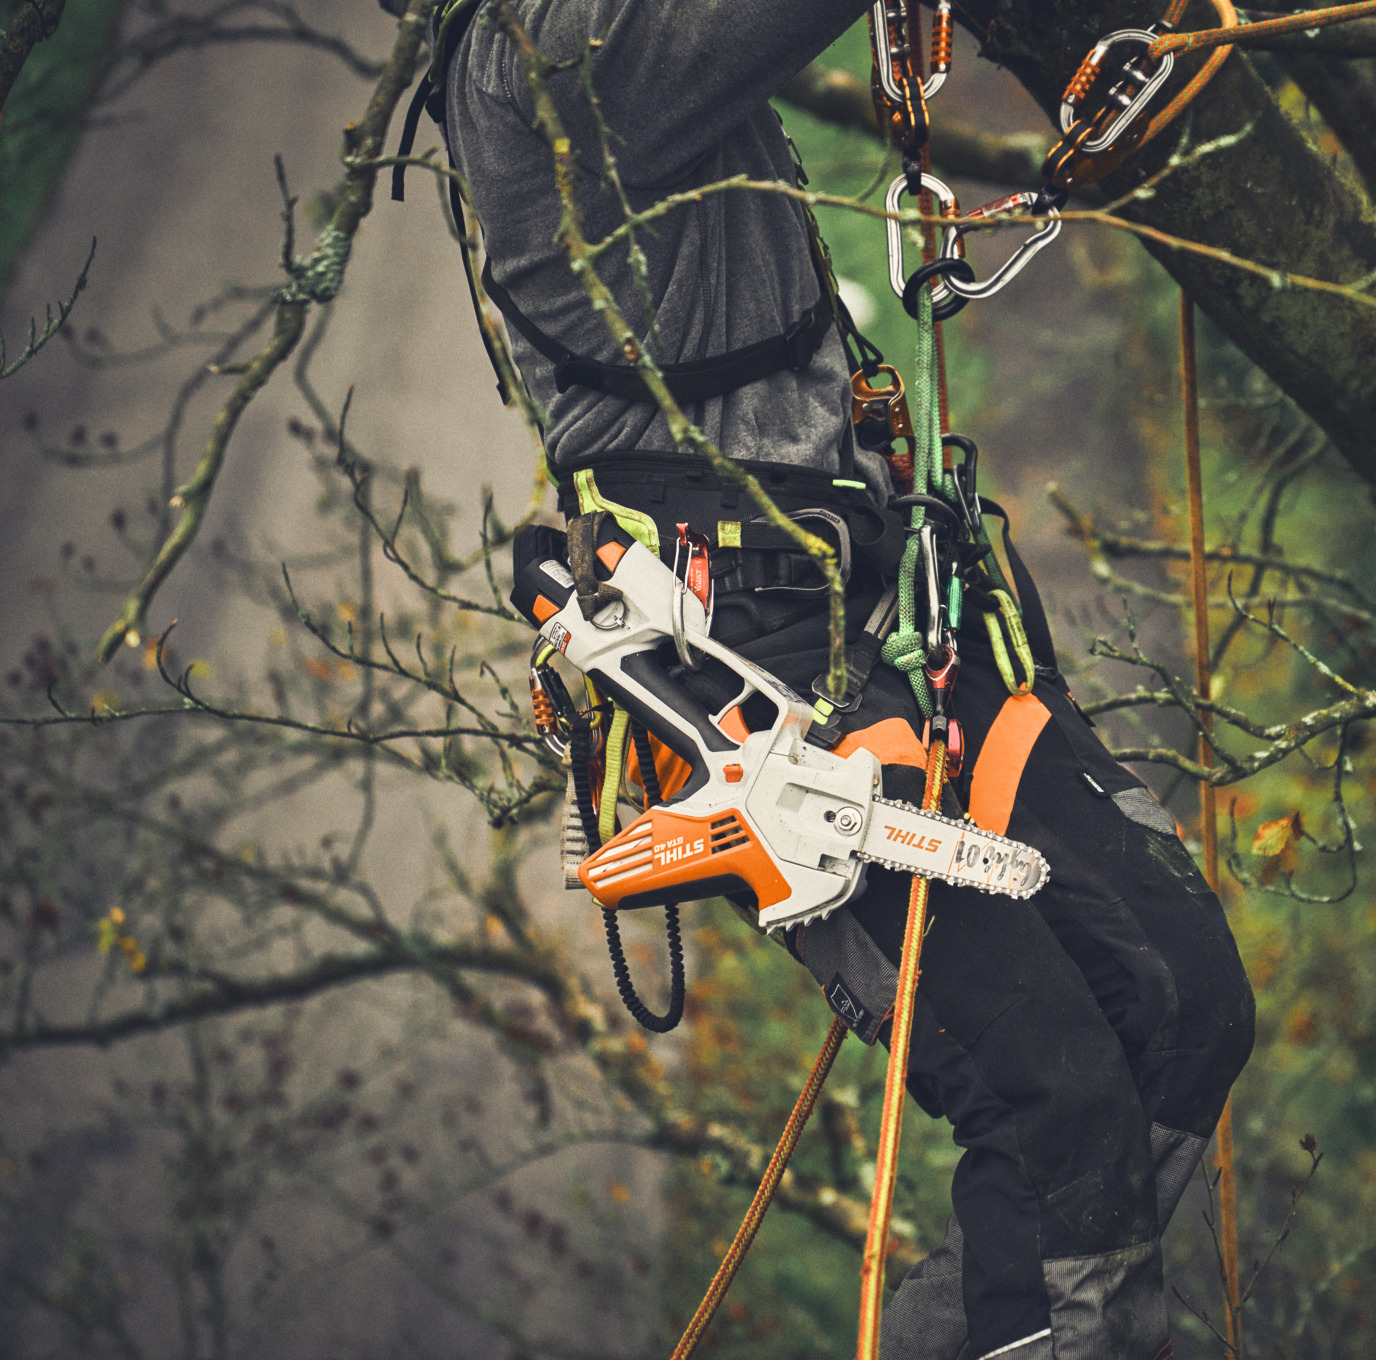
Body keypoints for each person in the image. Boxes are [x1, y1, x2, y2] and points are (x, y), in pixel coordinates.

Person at [395, 1, 1256, 1355]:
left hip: (887, 590)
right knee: (1057, 1091)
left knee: (1183, 997)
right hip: (753, 665)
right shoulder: (552, 56)